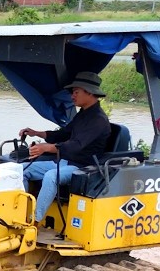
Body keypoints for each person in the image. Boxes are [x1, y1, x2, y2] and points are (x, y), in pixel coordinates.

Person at [17, 71, 111, 224]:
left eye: (76, 92)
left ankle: (34, 220)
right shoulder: (82, 115)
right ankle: (20, 212)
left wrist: (47, 148)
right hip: (66, 162)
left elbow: (76, 146)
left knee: (51, 176)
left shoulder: (98, 120)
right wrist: (36, 133)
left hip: (84, 167)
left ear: (90, 93)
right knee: (22, 170)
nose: (72, 96)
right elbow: (63, 134)